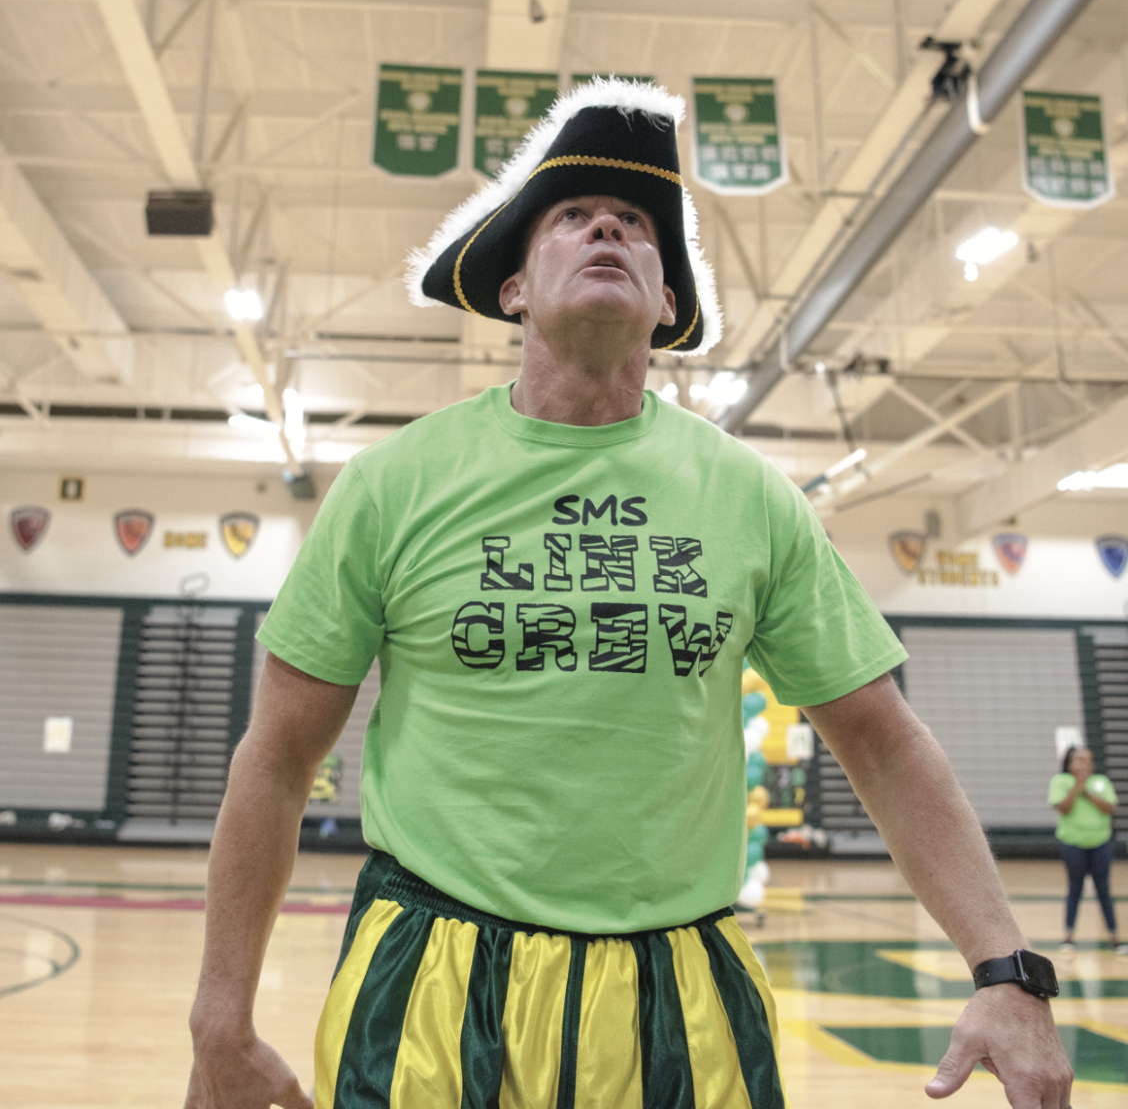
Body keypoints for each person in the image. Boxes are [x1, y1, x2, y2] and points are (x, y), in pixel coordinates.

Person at [184, 80, 1072, 1109]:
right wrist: (220, 1022)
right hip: (428, 979)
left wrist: (1006, 968)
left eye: (638, 225)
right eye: (571, 215)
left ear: (665, 303)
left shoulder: (751, 497)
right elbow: (278, 757)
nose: (607, 223)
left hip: (680, 998)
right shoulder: (394, 484)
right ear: (513, 289)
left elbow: (883, 741)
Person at [1049, 745, 1125, 954]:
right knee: (1075, 888)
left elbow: (1110, 807)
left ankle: (1114, 937)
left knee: (1104, 890)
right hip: (1073, 843)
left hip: (1100, 843)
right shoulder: (1061, 782)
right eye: (1080, 760)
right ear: (1070, 763)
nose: (1086, 764)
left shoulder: (1101, 782)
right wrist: (1076, 788)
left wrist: (1088, 792)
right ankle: (1068, 936)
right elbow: (1063, 807)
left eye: (1089, 760)